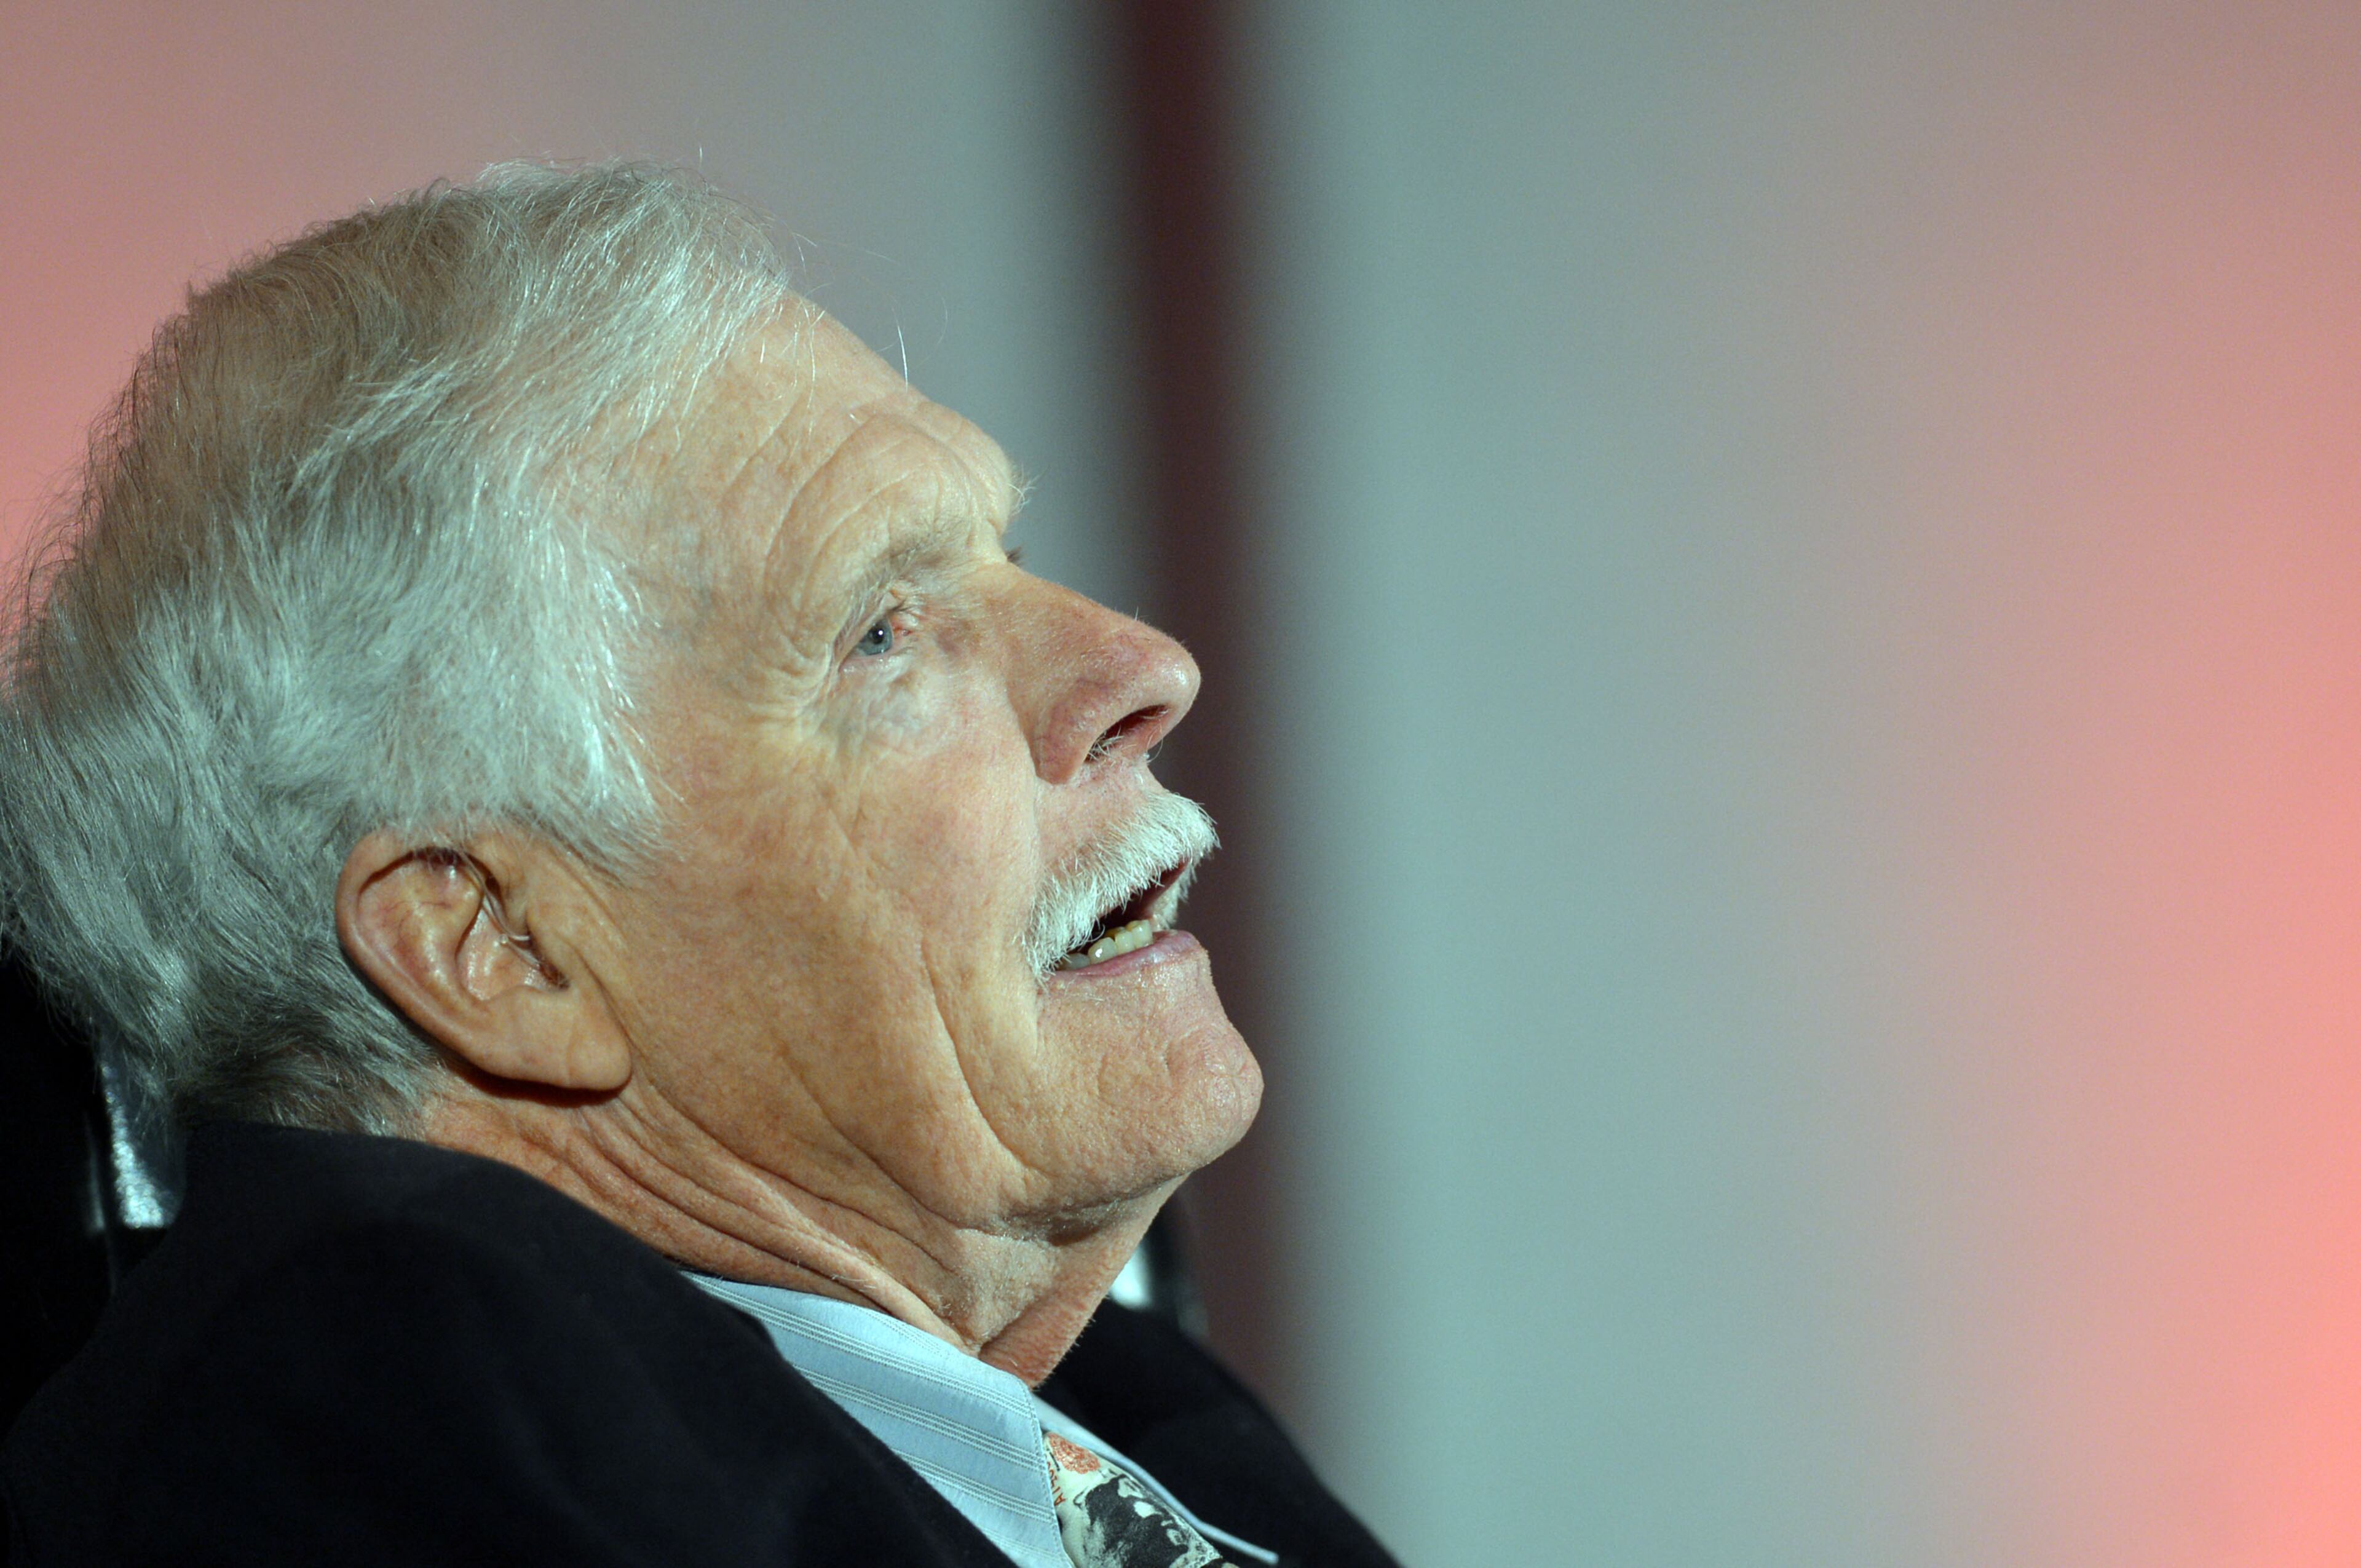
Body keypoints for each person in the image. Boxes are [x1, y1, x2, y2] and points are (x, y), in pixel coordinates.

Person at [0, 163, 1398, 1568]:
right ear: (503, 942)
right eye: (882, 633)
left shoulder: (1138, 1407)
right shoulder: (370, 1396)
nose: (1144, 666)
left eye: (1009, 558)